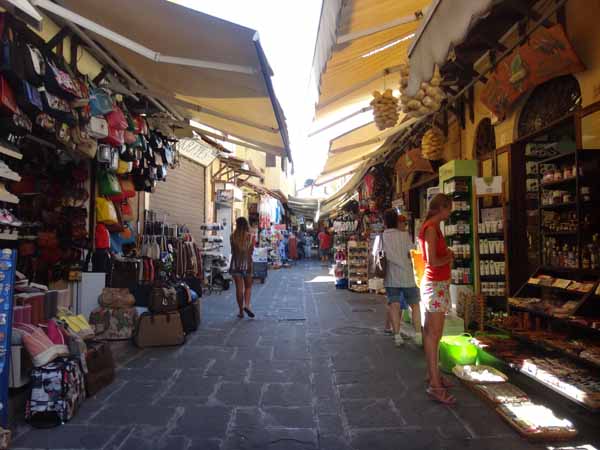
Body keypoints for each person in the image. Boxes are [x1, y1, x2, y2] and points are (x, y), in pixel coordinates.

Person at [418, 193, 455, 405]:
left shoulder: (431, 227)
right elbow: (433, 261)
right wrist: (448, 256)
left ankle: (433, 375)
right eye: (449, 209)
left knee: (431, 333)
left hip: (434, 285)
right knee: (434, 335)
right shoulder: (432, 228)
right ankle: (434, 385)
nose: (450, 213)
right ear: (442, 208)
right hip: (435, 285)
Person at [382, 209, 422, 347]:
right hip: (408, 275)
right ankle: (418, 334)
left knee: (394, 305)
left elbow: (380, 255)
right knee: (415, 305)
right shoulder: (405, 235)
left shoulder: (383, 236)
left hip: (391, 276)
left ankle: (397, 336)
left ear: (385, 222)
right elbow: (413, 252)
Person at [230, 217, 255, 319]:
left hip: (235, 265)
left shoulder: (232, 236)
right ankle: (247, 306)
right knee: (248, 287)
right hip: (247, 264)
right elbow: (252, 251)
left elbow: (232, 250)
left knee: (239, 289)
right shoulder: (250, 237)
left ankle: (241, 311)